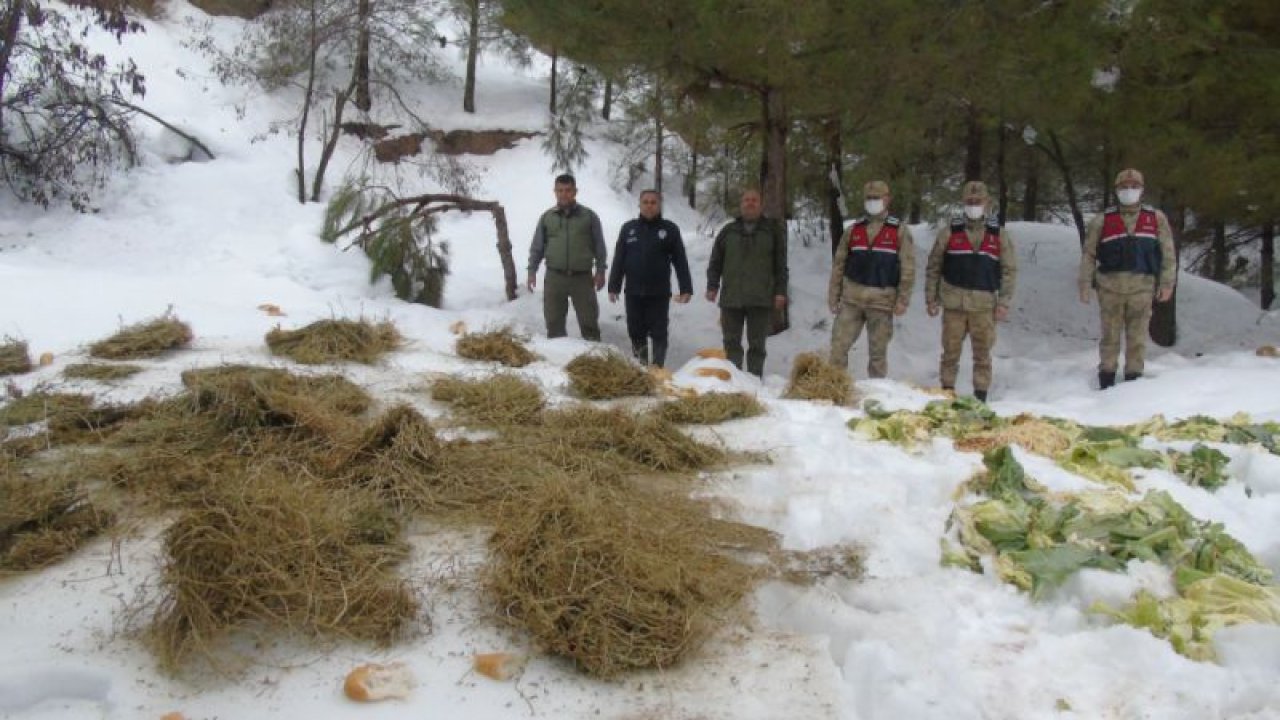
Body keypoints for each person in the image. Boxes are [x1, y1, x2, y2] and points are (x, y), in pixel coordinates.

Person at [1078, 168, 1176, 389]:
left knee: (1137, 339)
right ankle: (1107, 379)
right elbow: (1089, 254)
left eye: (1134, 187)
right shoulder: (1102, 220)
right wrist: (1085, 283)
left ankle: (1133, 383)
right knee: (1110, 337)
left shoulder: (1155, 218)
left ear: (1142, 190)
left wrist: (1167, 283)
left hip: (1142, 289)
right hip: (1110, 288)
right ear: (1116, 190)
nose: (1129, 191)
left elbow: (1168, 253)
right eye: (1124, 187)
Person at [924, 181, 1017, 402]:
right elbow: (934, 266)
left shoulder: (998, 235)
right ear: (963, 203)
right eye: (969, 201)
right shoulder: (949, 232)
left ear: (987, 203)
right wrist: (931, 298)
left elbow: (1009, 270)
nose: (973, 205)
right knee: (949, 354)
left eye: (978, 201)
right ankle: (947, 395)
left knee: (982, 355)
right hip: (954, 305)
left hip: (984, 306)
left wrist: (1004, 302)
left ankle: (980, 398)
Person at [828, 179, 916, 378]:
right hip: (852, 299)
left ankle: (876, 392)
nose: (872, 201)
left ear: (887, 199)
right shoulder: (853, 230)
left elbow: (908, 268)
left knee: (878, 353)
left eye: (877, 198)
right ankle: (834, 386)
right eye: (869, 198)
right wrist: (833, 296)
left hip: (882, 301)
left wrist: (903, 300)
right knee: (838, 346)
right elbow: (839, 265)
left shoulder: (899, 231)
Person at [705, 188, 789, 377]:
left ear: (761, 205)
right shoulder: (728, 231)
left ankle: (754, 380)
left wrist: (780, 292)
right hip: (731, 297)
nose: (750, 203)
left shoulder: (772, 231)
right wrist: (712, 286)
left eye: (754, 200)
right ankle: (733, 378)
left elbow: (781, 266)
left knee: (757, 343)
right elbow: (715, 261)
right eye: (746, 200)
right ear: (741, 204)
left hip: (760, 297)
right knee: (731, 342)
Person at [607, 190, 693, 367]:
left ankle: (657, 368)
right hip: (633, 292)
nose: (649, 205)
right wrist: (613, 286)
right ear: (639, 204)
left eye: (653, 202)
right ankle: (642, 367)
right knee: (636, 331)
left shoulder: (669, 229)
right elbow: (619, 259)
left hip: (659, 293)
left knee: (659, 332)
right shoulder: (628, 228)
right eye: (645, 202)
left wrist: (686, 288)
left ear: (659, 205)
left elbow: (680, 260)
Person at [527, 174, 608, 341]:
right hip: (555, 277)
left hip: (582, 279)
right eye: (560, 190)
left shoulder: (589, 217)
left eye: (568, 190)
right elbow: (537, 247)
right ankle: (558, 359)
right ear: (555, 192)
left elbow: (599, 247)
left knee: (589, 322)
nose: (564, 194)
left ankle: (593, 357)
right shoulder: (547, 217)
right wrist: (532, 271)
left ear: (575, 191)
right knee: (554, 322)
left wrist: (600, 271)